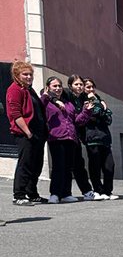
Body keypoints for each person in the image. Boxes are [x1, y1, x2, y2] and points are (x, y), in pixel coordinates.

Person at [5, 59, 48, 206]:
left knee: (36, 164)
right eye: (25, 74)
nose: (29, 77)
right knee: (25, 164)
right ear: (17, 75)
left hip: (38, 133)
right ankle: (19, 195)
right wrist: (28, 132)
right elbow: (15, 114)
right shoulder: (14, 89)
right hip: (25, 133)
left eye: (30, 74)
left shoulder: (28, 89)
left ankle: (32, 193)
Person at [41, 77, 83, 203]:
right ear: (48, 87)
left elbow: (76, 119)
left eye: (59, 86)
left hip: (70, 137)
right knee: (58, 166)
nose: (58, 88)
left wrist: (86, 111)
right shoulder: (47, 101)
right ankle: (55, 194)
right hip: (56, 137)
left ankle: (66, 193)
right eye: (55, 86)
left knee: (68, 167)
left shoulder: (68, 103)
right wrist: (48, 96)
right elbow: (41, 103)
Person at [77, 79, 118, 199]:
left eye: (92, 87)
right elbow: (95, 113)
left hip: (104, 137)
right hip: (91, 137)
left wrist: (101, 109)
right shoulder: (83, 101)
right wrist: (100, 108)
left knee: (109, 165)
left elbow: (108, 117)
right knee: (95, 166)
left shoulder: (99, 100)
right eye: (88, 87)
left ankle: (107, 191)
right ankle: (98, 190)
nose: (91, 90)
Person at [64, 74, 95, 199]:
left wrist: (96, 101)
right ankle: (65, 193)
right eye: (76, 84)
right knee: (67, 165)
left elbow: (81, 120)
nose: (79, 86)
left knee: (79, 164)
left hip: (76, 135)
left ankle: (87, 191)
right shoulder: (66, 95)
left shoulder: (83, 98)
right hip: (66, 134)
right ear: (70, 86)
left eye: (81, 84)